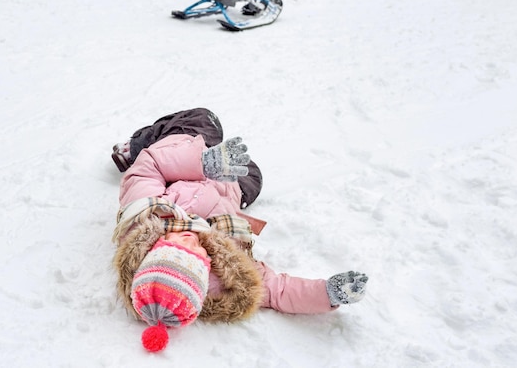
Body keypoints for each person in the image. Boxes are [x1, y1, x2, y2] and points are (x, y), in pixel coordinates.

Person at [111, 108, 368, 352]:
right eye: (194, 255)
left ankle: (132, 147)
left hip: (184, 159)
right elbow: (277, 290)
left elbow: (148, 168)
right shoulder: (223, 277)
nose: (188, 238)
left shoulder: (143, 219)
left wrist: (204, 164)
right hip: (230, 187)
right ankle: (228, 164)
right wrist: (327, 294)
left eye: (172, 245)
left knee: (204, 120)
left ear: (153, 250)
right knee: (253, 175)